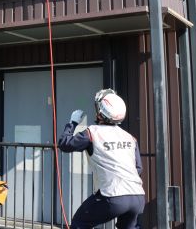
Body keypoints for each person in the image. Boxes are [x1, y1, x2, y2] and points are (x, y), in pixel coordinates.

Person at [58, 89, 145, 229]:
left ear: (100, 113)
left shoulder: (92, 132)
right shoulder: (129, 137)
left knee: (80, 223)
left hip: (113, 195)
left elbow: (64, 144)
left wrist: (72, 123)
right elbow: (138, 169)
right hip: (137, 197)